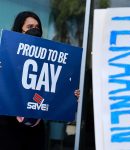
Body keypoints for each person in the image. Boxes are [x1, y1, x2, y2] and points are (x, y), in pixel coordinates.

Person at [0, 11, 80, 150]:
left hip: (35, 129)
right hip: (7, 127)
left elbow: (52, 92)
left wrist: (70, 96)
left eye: (37, 27)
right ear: (19, 30)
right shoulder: (5, 57)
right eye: (29, 26)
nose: (34, 29)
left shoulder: (48, 62)